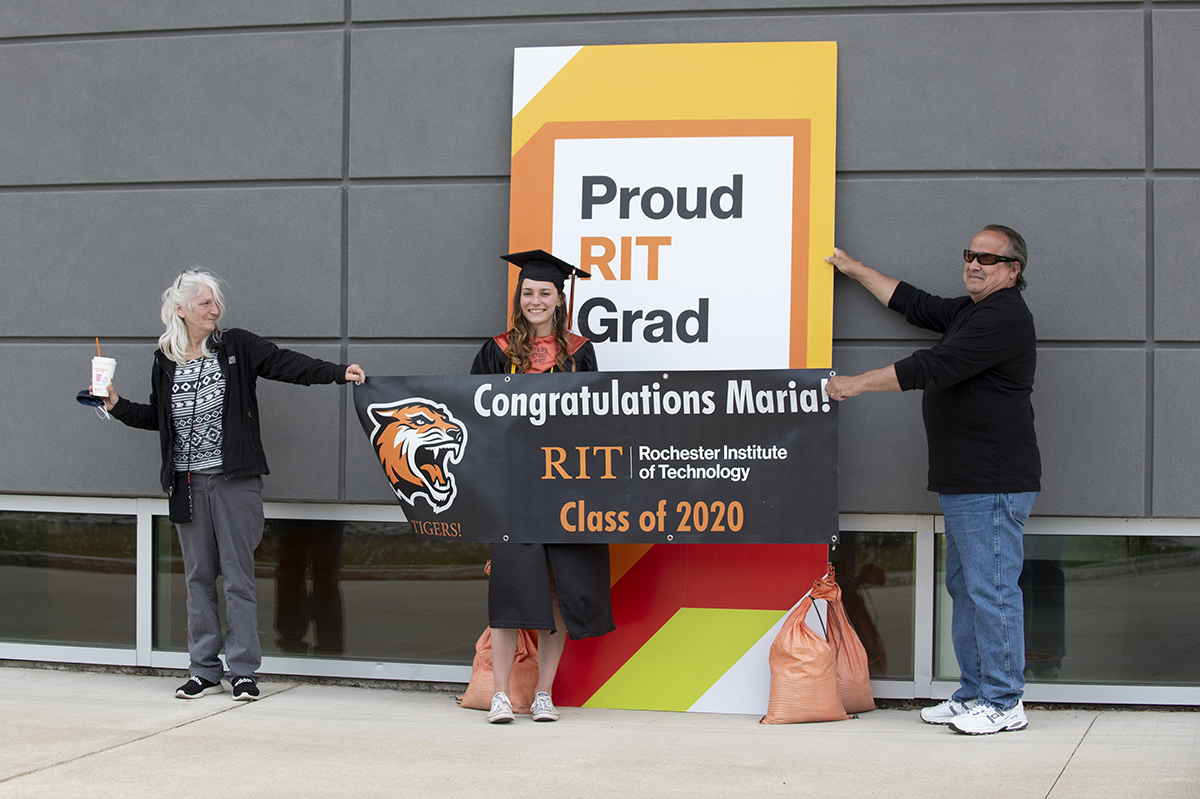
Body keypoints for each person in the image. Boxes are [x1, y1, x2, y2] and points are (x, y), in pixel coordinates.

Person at [96, 270, 365, 701]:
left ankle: (243, 671)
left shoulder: (236, 345)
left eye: (216, 302)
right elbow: (158, 418)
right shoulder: (165, 358)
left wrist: (336, 372)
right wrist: (116, 405)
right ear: (181, 309)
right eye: (204, 303)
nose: (214, 310)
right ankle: (203, 669)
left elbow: (285, 363)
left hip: (233, 480)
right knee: (198, 577)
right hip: (187, 484)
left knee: (238, 577)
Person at [825, 225, 1040, 736]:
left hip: (993, 480)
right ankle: (974, 693)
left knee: (991, 590)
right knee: (967, 587)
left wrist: (856, 384)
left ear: (1013, 271)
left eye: (989, 258)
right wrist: (854, 269)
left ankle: (1005, 701)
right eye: (970, 254)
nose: (975, 264)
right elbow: (914, 303)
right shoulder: (973, 311)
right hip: (967, 479)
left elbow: (936, 365)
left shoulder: (1005, 317)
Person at [470, 249, 616, 723]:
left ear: (559, 300)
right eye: (528, 292)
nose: (536, 300)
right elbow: (471, 413)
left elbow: (597, 416)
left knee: (561, 590)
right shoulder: (495, 350)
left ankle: (544, 694)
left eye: (545, 293)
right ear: (520, 297)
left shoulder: (580, 349)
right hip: (513, 487)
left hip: (567, 485)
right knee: (511, 591)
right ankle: (500, 694)